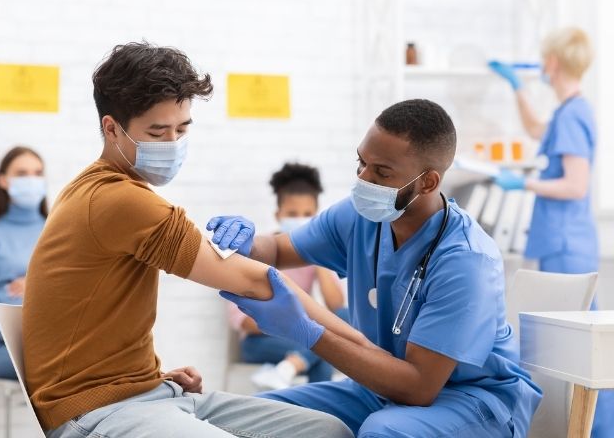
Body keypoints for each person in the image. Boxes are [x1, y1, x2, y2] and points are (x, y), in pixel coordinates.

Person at [22, 42, 360, 438]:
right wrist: (367, 352)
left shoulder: (99, 190)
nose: (171, 144)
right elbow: (255, 280)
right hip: (96, 411)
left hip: (151, 393)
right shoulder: (118, 199)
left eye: (181, 130)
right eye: (156, 131)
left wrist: (149, 377)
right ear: (111, 128)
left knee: (327, 431)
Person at [210, 99, 542, 437]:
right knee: (259, 417)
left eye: (381, 172)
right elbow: (279, 250)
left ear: (427, 182)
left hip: (472, 402)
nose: (363, 180)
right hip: (382, 392)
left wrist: (308, 333)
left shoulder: (466, 260)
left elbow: (419, 388)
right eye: (361, 163)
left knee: (383, 432)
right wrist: (249, 242)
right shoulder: (360, 218)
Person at [489, 27, 612, 438]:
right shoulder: (566, 111)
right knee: (571, 340)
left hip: (567, 241)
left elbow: (576, 185)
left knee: (584, 345)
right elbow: (536, 129)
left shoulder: (575, 113)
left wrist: (521, 183)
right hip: (561, 239)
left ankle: (602, 426)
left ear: (554, 63)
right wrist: (517, 88)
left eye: (544, 60)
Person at [229, 162, 348, 390]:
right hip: (259, 341)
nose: (300, 219)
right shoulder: (255, 250)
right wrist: (293, 325)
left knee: (344, 321)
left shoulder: (314, 253)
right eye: (292, 214)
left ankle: (288, 368)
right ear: (278, 214)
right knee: (324, 348)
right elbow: (241, 321)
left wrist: (316, 256)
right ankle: (319, 417)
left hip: (298, 335)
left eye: (308, 215)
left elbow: (337, 308)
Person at [0, 146, 48, 379]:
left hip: (56, 341)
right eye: (22, 174)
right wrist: (29, 336)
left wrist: (36, 283)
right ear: (3, 181)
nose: (32, 180)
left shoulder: (58, 231)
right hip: (3, 349)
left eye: (37, 173)